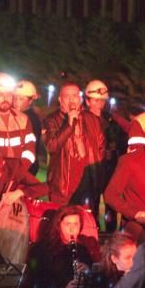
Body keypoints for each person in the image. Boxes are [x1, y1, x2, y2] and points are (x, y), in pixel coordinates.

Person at [42, 83, 105, 211]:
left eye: (75, 96)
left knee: (85, 224)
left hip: (87, 184)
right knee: (60, 222)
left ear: (80, 98)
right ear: (60, 99)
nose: (71, 100)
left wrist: (97, 179)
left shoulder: (92, 119)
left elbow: (100, 148)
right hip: (63, 186)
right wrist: (69, 125)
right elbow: (52, 146)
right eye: (66, 96)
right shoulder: (52, 120)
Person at [84, 79, 128, 231]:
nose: (99, 104)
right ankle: (91, 231)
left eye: (102, 100)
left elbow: (125, 136)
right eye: (96, 100)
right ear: (87, 101)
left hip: (110, 168)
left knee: (111, 203)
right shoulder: (81, 119)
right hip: (90, 169)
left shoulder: (111, 120)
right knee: (91, 205)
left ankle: (110, 233)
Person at [15, 80, 44, 175]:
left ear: (31, 100)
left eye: (21, 99)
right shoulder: (19, 115)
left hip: (26, 167)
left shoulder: (29, 118)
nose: (16, 102)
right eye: (15, 98)